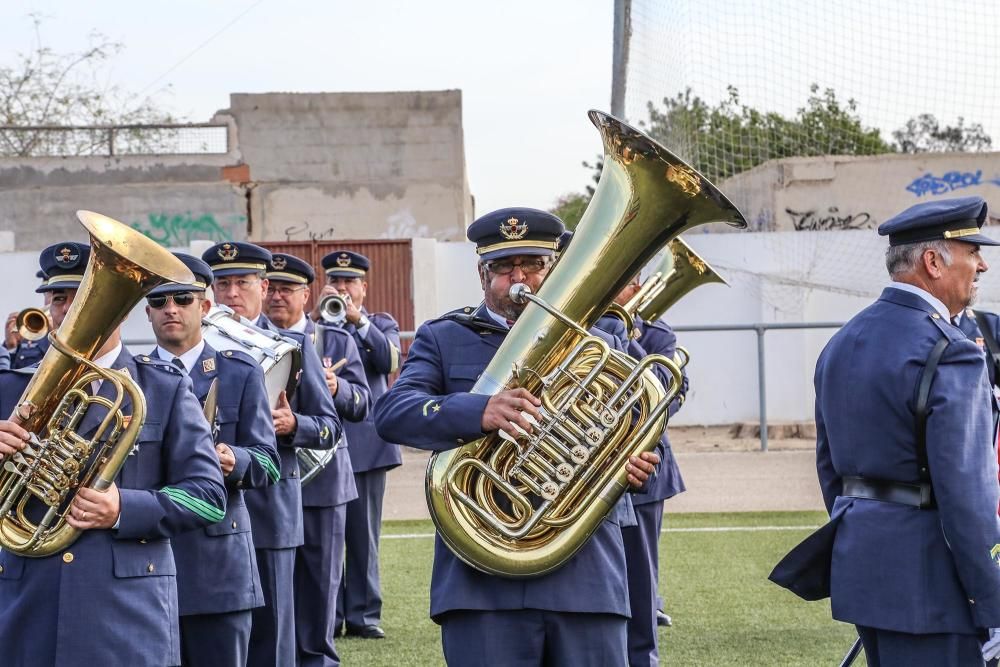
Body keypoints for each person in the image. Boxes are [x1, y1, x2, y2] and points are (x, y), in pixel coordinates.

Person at [374, 208, 660, 666]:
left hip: (586, 570)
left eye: (533, 265)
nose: (519, 277)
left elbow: (640, 420)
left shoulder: (601, 335)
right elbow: (393, 413)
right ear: (482, 274)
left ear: (554, 269)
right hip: (481, 582)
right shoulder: (445, 337)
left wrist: (644, 459)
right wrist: (478, 410)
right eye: (505, 268)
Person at [774, 196, 1000, 666]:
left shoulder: (843, 341)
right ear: (933, 262)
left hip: (865, 567)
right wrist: (993, 595)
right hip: (934, 584)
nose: (980, 265)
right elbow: (968, 495)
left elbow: (830, 468)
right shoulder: (953, 351)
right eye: (972, 252)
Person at [0, 242, 228, 666]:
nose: (70, 309)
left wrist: (123, 507)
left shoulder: (165, 388)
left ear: (122, 307)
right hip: (27, 605)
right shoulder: (8, 391)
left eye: (84, 295)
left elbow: (209, 498)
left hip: (125, 611)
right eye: (59, 298)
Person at [202, 241, 342, 667]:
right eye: (222, 284)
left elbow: (329, 425)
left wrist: (294, 425)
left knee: (274, 638)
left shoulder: (291, 346)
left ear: (263, 287)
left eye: (242, 283)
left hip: (270, 511)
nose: (231, 294)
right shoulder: (198, 348)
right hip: (209, 510)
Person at [146, 252, 280, 667]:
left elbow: (270, 463)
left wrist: (234, 460)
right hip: (147, 561)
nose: (171, 309)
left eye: (184, 299)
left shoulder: (239, 371)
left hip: (217, 566)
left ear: (205, 307)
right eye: (159, 301)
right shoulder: (133, 379)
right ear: (146, 312)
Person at [262, 252, 369, 667]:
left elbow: (364, 404)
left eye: (287, 289)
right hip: (271, 485)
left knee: (320, 591)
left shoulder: (335, 339)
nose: (276, 297)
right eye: (271, 288)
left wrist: (336, 385)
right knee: (275, 596)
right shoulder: (251, 340)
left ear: (306, 294)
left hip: (324, 483)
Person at [315, 250, 402, 640]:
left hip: (367, 444)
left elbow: (389, 362)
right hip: (324, 446)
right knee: (327, 536)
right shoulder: (314, 327)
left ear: (364, 288)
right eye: (336, 282)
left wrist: (358, 322)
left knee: (364, 536)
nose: (343, 290)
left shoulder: (380, 323)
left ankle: (364, 616)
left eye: (350, 282)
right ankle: (329, 616)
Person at [611, 275, 689, 666]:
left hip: (642, 475)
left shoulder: (654, 332)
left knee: (640, 587)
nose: (633, 287)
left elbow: (667, 397)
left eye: (634, 281)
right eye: (625, 281)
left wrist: (625, 334)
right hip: (578, 475)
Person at [7, 263, 61, 369]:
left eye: (59, 296)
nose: (51, 300)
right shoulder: (30, 331)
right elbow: (11, 377)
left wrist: (53, 335)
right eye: (48, 294)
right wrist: (11, 348)